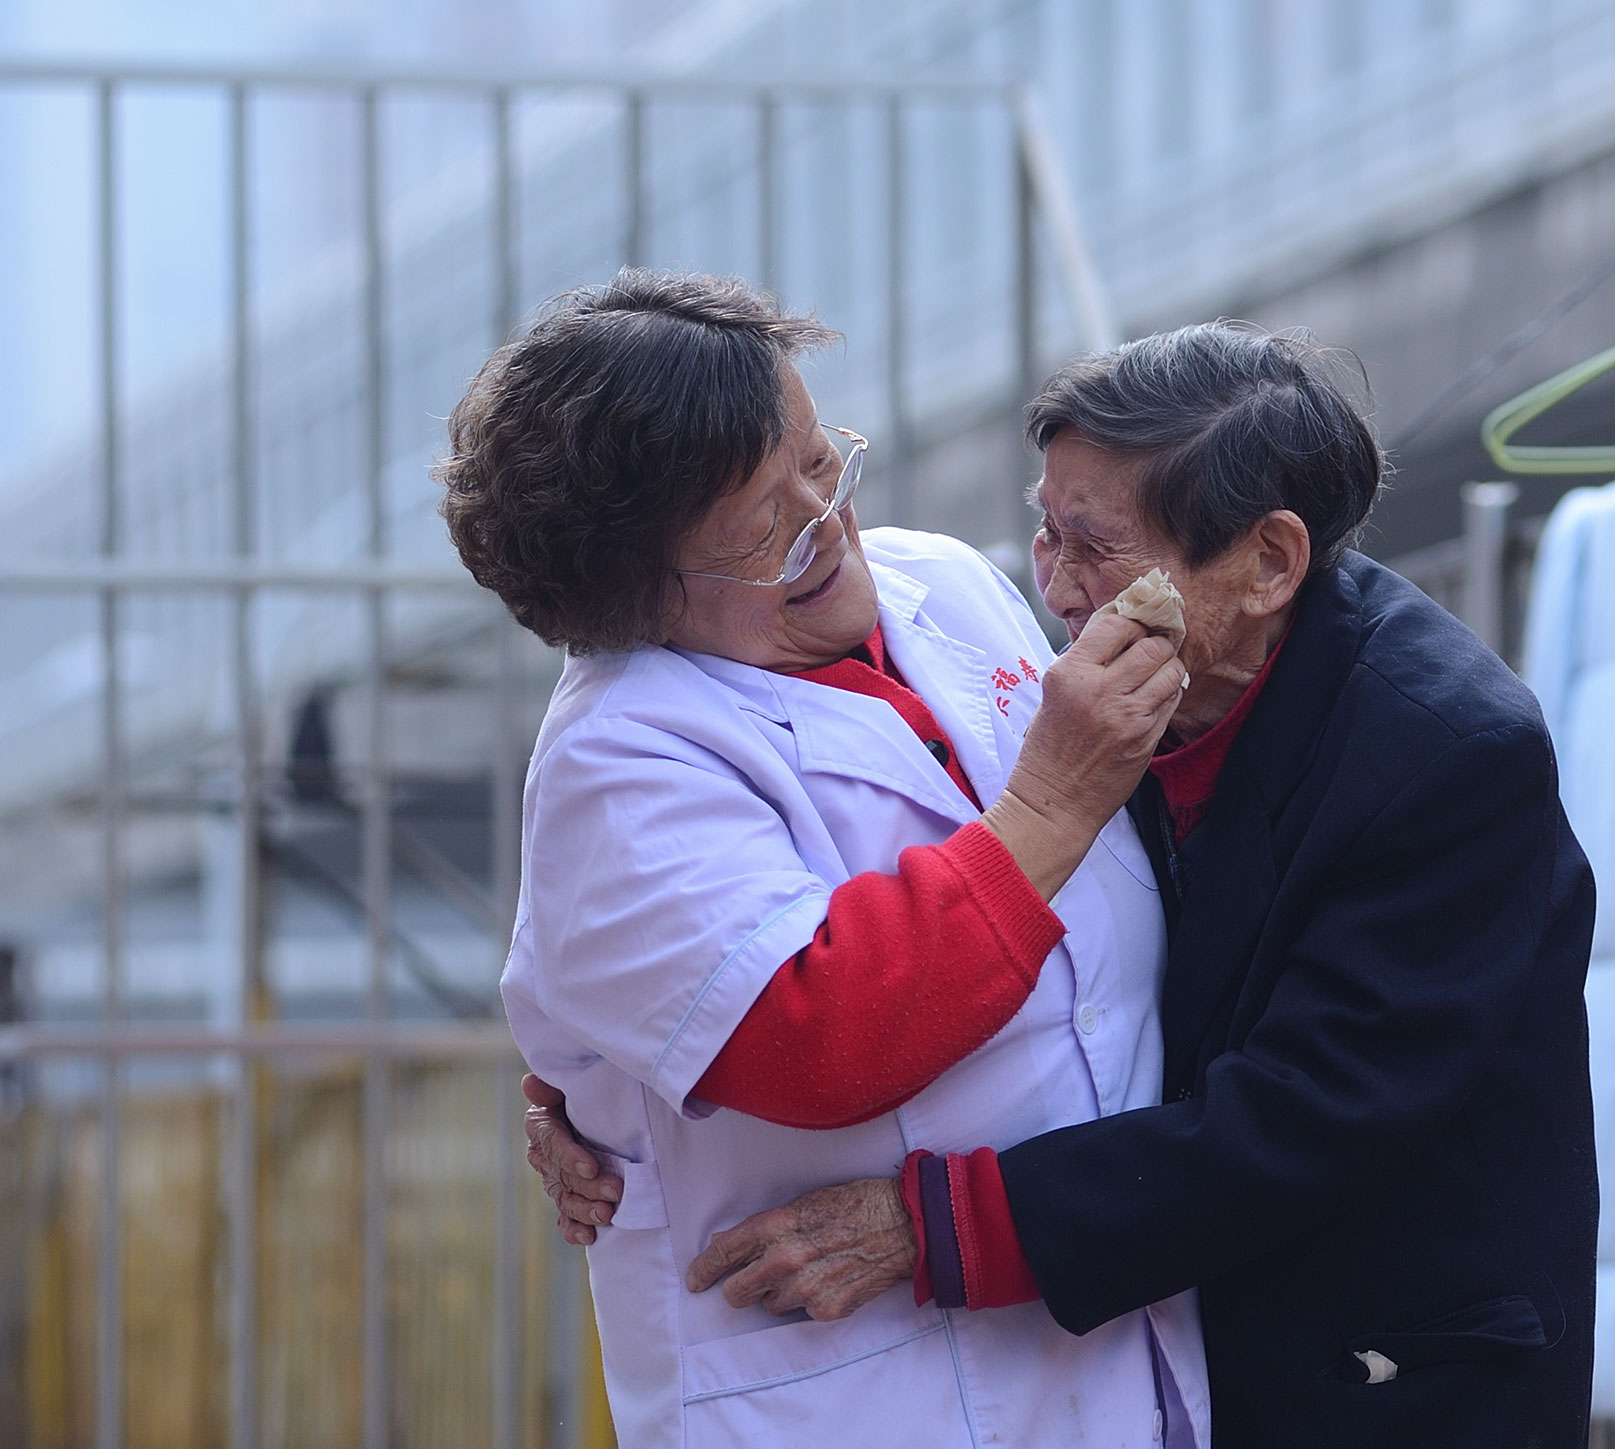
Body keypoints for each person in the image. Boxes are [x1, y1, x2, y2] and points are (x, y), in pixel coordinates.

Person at [533, 322, 1601, 1447]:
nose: (1052, 585)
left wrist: (942, 1225)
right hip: (1145, 1356)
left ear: (1268, 562)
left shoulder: (1444, 750)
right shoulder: (1141, 684)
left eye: (1094, 547)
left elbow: (1308, 1111)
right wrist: (612, 1068)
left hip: (1389, 1367)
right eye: (1045, 528)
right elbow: (744, 965)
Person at [440, 268, 1208, 1449]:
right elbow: (816, 1028)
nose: (826, 522)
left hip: (1111, 1347)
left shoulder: (941, 584)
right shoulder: (618, 759)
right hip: (871, 1400)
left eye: (819, 460)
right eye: (764, 529)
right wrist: (1053, 802)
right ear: (627, 598)